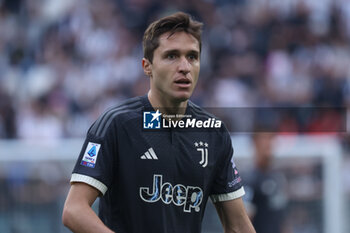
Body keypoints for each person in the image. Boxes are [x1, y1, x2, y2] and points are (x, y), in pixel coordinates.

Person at [62, 11, 255, 233]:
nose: (184, 66)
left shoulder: (213, 133)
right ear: (147, 66)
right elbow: (74, 210)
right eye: (171, 56)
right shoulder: (118, 124)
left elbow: (239, 226)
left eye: (192, 57)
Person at [243, 132, 288, 233]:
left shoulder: (278, 177)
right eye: (264, 143)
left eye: (270, 143)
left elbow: (282, 215)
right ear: (255, 146)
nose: (268, 148)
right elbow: (245, 218)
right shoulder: (250, 179)